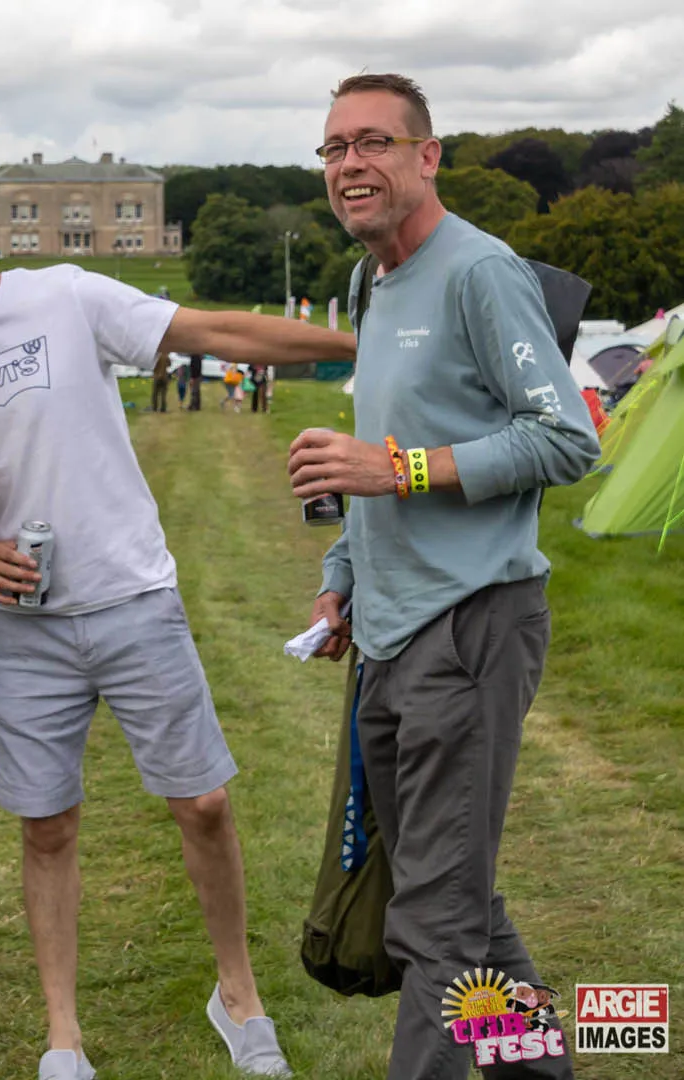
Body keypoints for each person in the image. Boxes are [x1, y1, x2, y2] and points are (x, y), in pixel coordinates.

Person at [0, 176, 356, 1080]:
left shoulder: (65, 294)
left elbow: (218, 333)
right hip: (23, 625)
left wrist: (364, 342)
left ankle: (238, 995)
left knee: (203, 804)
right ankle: (64, 1038)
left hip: (133, 597)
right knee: (46, 827)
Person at [287, 74, 599, 1080]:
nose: (350, 164)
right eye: (335, 148)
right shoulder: (371, 281)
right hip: (387, 629)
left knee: (436, 918)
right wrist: (342, 572)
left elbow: (566, 438)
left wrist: (404, 471)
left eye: (374, 142)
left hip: (469, 626)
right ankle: (541, 1071)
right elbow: (383, 442)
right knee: (451, 894)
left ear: (427, 157)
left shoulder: (480, 272)